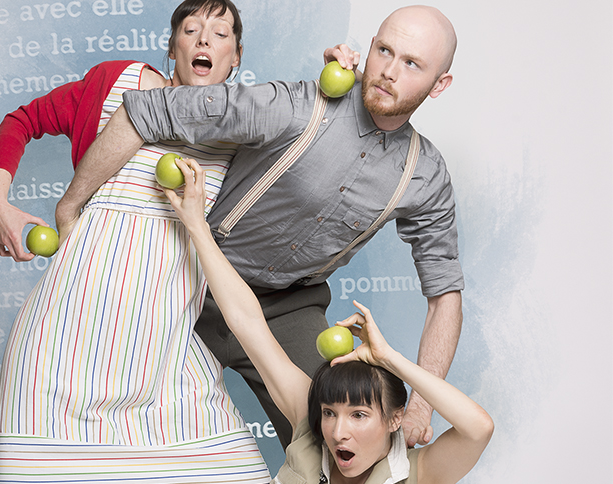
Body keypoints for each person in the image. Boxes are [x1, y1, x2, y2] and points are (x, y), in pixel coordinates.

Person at [55, 5, 462, 449]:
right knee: (107, 424)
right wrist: (70, 205)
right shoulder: (295, 105)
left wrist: (422, 405)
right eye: (384, 50)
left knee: (340, 447)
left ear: (439, 85)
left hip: (288, 308)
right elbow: (145, 111)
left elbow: (445, 297)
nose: (388, 71)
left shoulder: (425, 174)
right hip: (189, 284)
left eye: (412, 64)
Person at [0, 1, 272, 481]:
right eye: (191, 29)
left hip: (164, 352)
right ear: (172, 46)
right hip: (66, 342)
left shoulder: (246, 123)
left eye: (219, 33)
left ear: (235, 56)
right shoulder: (117, 84)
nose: (204, 39)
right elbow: (22, 121)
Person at [167, 158, 493, 483]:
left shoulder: (415, 473)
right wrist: (197, 226)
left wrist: (389, 359)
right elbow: (247, 322)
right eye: (329, 414)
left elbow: (478, 428)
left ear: (395, 419)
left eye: (359, 415)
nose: (338, 432)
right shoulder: (310, 436)